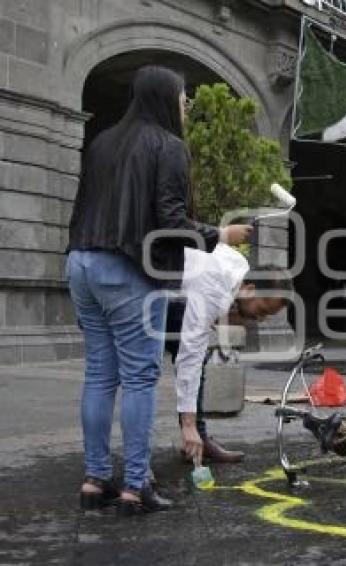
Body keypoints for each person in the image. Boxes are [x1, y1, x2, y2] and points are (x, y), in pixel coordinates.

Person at [67, 66, 253, 516]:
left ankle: (95, 482)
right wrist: (221, 235)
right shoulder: (168, 145)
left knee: (98, 375)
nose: (185, 107)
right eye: (183, 98)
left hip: (80, 262)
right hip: (128, 267)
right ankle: (135, 486)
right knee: (138, 377)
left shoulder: (102, 141)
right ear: (165, 98)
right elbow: (170, 220)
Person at [166, 245, 291, 465]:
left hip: (174, 292)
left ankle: (200, 441)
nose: (260, 319)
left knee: (196, 359)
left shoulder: (237, 266)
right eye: (262, 310)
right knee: (141, 375)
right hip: (153, 296)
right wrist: (188, 424)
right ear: (250, 288)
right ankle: (136, 468)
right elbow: (189, 358)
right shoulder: (215, 289)